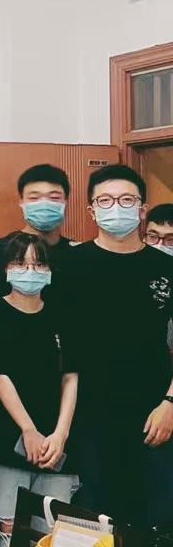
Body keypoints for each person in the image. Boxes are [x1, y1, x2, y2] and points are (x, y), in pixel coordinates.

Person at [59, 164, 173, 526]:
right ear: (91, 211)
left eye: (126, 200)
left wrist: (170, 403)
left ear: (141, 209)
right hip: (89, 417)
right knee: (95, 524)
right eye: (105, 201)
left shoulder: (165, 267)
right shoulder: (68, 264)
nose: (116, 207)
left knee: (156, 522)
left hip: (154, 415)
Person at [0, 233, 78, 547]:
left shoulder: (63, 313)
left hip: (58, 448)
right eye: (20, 263)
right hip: (5, 444)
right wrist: (28, 430)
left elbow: (71, 376)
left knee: (54, 544)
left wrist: (60, 434)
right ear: (6, 269)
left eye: (38, 263)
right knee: (3, 540)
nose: (30, 271)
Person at [0, 164, 74, 310]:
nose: (44, 204)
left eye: (54, 197)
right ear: (22, 203)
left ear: (66, 202)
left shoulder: (77, 253)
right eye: (34, 198)